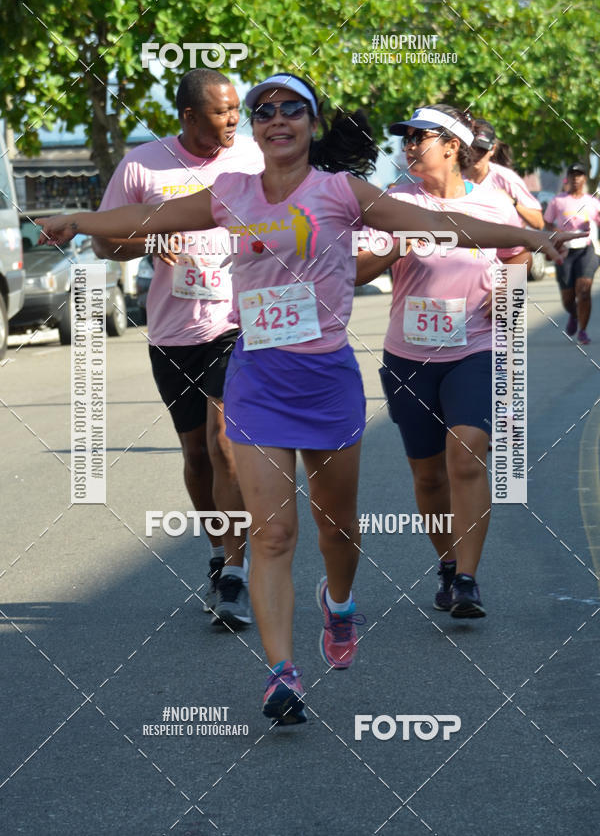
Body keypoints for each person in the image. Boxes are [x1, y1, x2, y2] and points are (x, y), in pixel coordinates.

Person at [37, 76, 570, 726]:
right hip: (257, 379)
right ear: (257, 129)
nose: (276, 118)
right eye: (265, 111)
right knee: (275, 531)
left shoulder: (342, 192)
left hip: (327, 382)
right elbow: (146, 219)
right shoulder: (231, 192)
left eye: (293, 109)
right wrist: (79, 220)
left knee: (336, 530)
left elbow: (439, 222)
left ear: (313, 125)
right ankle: (282, 672)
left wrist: (527, 237)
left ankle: (339, 603)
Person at [92, 68, 264, 627]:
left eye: (238, 109)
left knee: (225, 442)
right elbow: (104, 241)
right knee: (195, 454)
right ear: (189, 117)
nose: (235, 119)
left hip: (237, 323)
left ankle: (238, 574)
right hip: (171, 332)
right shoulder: (143, 164)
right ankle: (218, 557)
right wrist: (149, 239)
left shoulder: (252, 161)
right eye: (222, 111)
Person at [356, 104, 532, 619]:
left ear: (452, 146)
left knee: (468, 451)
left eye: (419, 138)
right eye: (405, 139)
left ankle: (470, 581)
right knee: (429, 475)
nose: (408, 146)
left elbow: (519, 254)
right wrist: (400, 245)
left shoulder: (494, 204)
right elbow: (357, 272)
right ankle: (450, 566)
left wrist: (507, 291)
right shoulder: (393, 203)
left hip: (476, 348)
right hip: (408, 356)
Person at [544, 162, 600, 344]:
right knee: (568, 297)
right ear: (568, 178)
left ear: (584, 178)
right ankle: (573, 314)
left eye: (580, 175)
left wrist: (590, 226)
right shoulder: (557, 201)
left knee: (584, 291)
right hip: (565, 251)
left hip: (587, 250)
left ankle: (583, 330)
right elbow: (548, 224)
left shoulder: (592, 202)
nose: (576, 178)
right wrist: (558, 234)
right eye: (573, 175)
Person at [466, 118, 544, 235]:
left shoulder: (506, 179)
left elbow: (539, 223)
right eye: (474, 148)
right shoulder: (453, 176)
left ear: (492, 150)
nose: (477, 155)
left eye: (482, 150)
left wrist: (512, 203)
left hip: (502, 250)